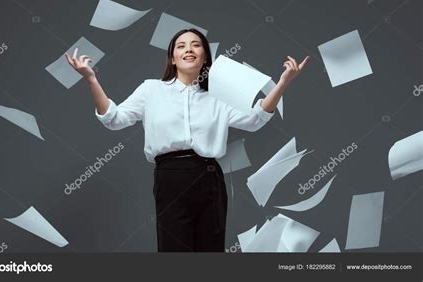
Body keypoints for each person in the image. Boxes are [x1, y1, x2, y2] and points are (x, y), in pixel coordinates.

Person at [65, 28, 309, 252]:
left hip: (209, 175)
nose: (189, 49)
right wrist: (91, 79)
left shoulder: (217, 97)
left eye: (196, 45)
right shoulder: (151, 90)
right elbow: (114, 119)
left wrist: (283, 83)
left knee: (209, 250)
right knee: (174, 249)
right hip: (170, 175)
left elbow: (255, 120)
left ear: (205, 57)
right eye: (181, 46)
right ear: (172, 58)